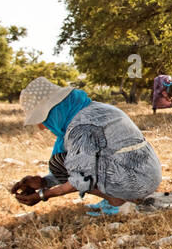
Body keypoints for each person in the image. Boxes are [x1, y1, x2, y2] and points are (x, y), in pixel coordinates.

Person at [10, 77, 162, 217]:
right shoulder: (93, 108)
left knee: (65, 164)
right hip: (146, 174)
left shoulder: (80, 127)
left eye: (42, 119)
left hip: (136, 182)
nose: (41, 127)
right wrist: (43, 182)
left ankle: (118, 201)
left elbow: (81, 178)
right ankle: (120, 196)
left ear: (54, 110)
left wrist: (43, 195)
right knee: (63, 162)